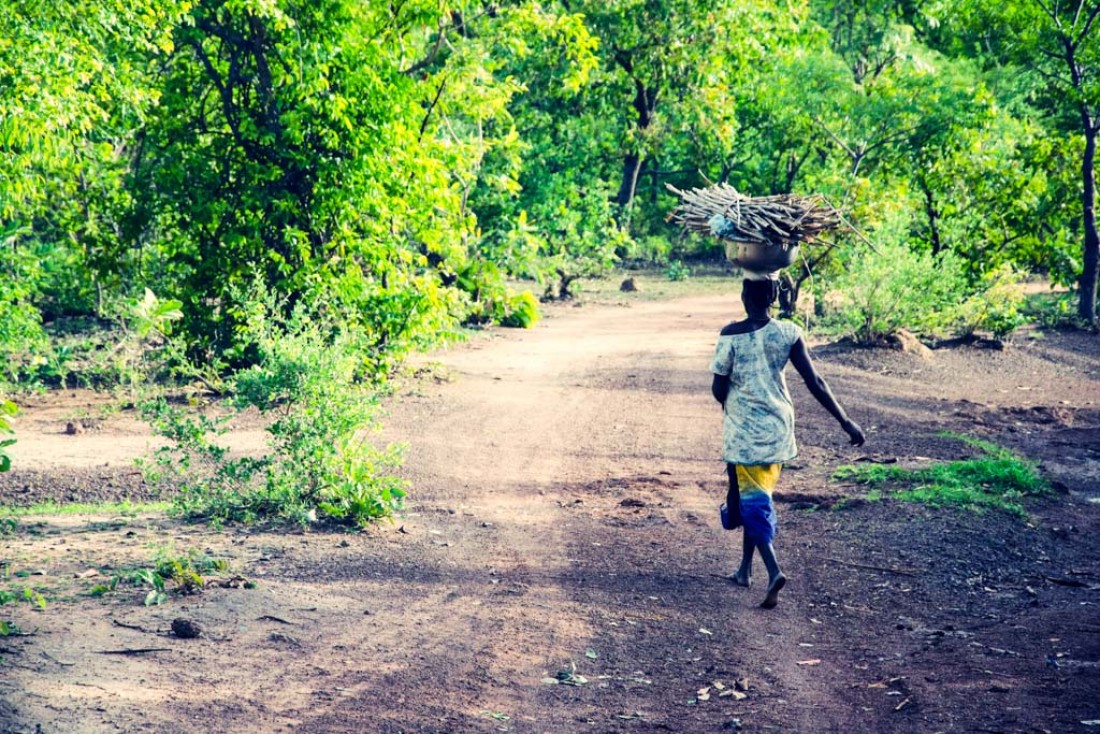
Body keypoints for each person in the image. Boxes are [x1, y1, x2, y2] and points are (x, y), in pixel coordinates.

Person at [711, 277, 865, 609]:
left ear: (743, 295)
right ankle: (744, 570)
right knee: (753, 494)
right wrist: (845, 421)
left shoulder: (730, 334)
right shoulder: (789, 333)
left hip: (744, 431)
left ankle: (773, 569)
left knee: (752, 501)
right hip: (778, 428)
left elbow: (718, 390)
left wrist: (733, 389)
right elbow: (816, 382)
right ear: (774, 297)